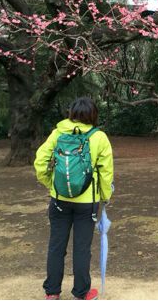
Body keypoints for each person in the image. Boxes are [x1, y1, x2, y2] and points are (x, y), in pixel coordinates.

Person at [34, 97, 114, 300]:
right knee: (82, 248)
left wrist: (51, 185)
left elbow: (40, 162)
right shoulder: (99, 137)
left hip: (59, 200)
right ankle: (81, 292)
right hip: (87, 203)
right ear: (93, 115)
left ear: (71, 113)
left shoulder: (57, 133)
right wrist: (105, 196)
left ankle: (52, 292)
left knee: (56, 246)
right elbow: (106, 173)